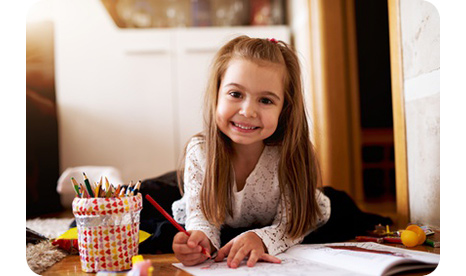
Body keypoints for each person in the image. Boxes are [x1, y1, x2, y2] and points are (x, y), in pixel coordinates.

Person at [170, 35, 331, 268]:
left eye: (265, 100)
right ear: (216, 94)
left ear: (284, 109)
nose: (247, 111)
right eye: (235, 94)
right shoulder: (200, 152)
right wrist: (200, 242)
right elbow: (201, 218)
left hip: (302, 205)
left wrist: (261, 239)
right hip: (200, 181)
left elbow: (291, 225)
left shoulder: (292, 155)